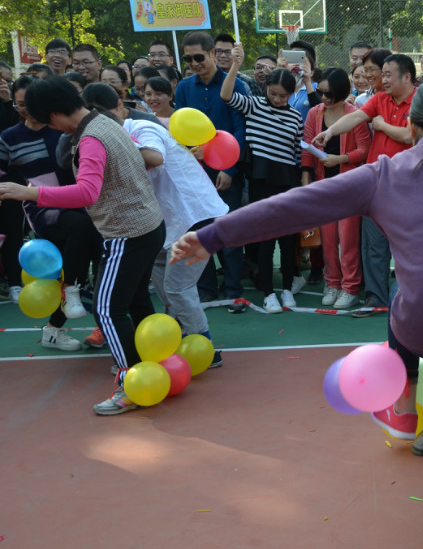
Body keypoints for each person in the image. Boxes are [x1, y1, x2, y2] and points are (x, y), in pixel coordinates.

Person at [172, 78, 423, 458]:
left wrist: (213, 235)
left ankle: (405, 397)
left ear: (412, 128)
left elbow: (294, 205)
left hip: (422, 328)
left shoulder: (382, 175)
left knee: (406, 296)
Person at [0, 76, 165, 415]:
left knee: (106, 308)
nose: (48, 127)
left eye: (46, 120)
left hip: (127, 233)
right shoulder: (104, 119)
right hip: (147, 225)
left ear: (57, 113)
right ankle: (152, 365)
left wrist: (30, 192)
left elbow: (86, 192)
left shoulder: (90, 138)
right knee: (134, 300)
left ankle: (132, 382)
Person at [81, 83, 227, 368]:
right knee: (161, 279)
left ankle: (205, 348)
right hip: (164, 223)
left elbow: (155, 158)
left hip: (196, 216)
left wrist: (120, 145)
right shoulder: (107, 137)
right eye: (96, 117)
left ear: (121, 107)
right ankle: (183, 339)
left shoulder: (141, 130)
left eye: (106, 114)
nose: (104, 122)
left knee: (178, 288)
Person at [0, 73, 101, 350]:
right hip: (42, 207)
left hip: (79, 201)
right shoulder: (9, 138)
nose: (27, 108)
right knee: (81, 232)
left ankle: (54, 329)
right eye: (20, 104)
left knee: (88, 253)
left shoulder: (62, 126)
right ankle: (72, 293)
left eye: (31, 102)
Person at [312, 53, 417, 319]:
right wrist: (331, 131)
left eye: (388, 74)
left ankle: (414, 301)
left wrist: (381, 125)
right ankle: (376, 300)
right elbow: (357, 117)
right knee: (374, 247)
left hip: (408, 189)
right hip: (376, 187)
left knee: (409, 248)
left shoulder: (420, 100)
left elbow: (409, 135)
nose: (382, 79)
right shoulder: (379, 99)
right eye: (382, 74)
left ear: (406, 76)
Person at [221, 44, 303, 313]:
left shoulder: (294, 117)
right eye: (273, 93)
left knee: (289, 240)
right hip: (260, 180)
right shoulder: (254, 105)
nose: (278, 99)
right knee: (266, 240)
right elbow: (226, 95)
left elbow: (297, 154)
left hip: (287, 181)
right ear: (265, 90)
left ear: (291, 94)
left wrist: (302, 185)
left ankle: (288, 289)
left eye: (283, 95)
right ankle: (269, 293)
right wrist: (235, 64)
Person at [174, 30, 248, 313]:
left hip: (228, 171)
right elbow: (180, 131)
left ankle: (233, 290)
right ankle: (205, 290)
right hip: (195, 172)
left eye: (198, 57)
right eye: (187, 58)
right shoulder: (184, 88)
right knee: (198, 230)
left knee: (228, 231)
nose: (193, 63)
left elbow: (241, 129)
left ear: (213, 54)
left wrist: (229, 167)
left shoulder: (235, 85)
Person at [301, 67, 371, 309]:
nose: (324, 98)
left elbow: (364, 150)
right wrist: (306, 180)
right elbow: (307, 147)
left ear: (341, 92)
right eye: (320, 92)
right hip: (323, 186)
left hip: (349, 186)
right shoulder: (314, 113)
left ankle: (350, 287)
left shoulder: (355, 114)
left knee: (348, 238)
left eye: (329, 94)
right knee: (328, 239)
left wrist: (339, 160)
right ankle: (331, 282)